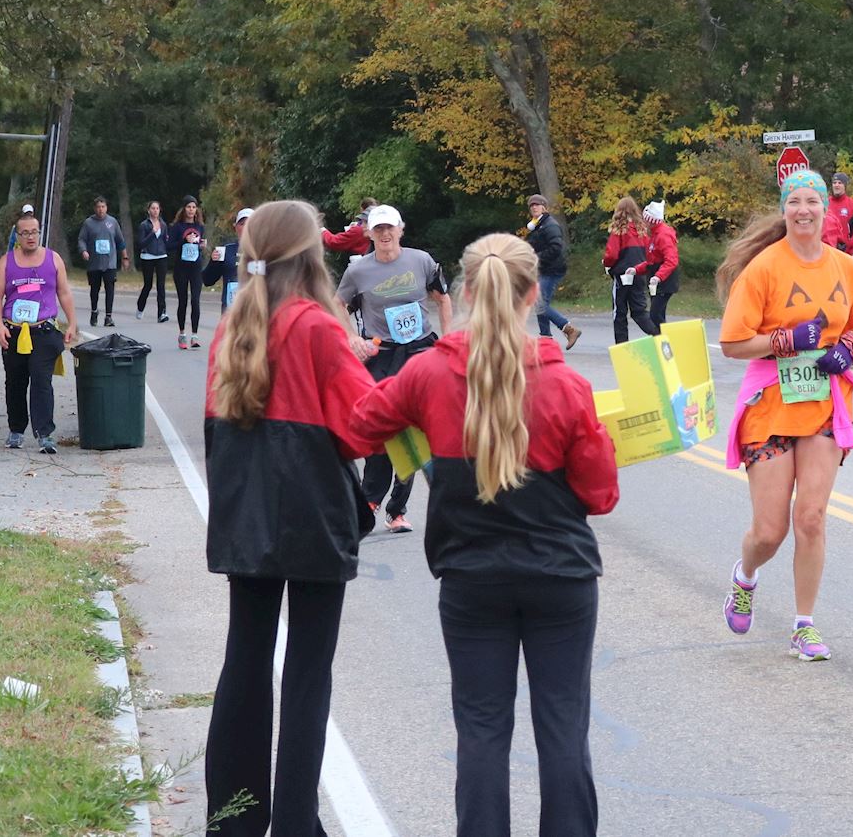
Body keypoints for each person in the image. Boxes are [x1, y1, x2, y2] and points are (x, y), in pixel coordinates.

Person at [350, 233, 618, 837]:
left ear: (466, 292)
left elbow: (359, 426)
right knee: (562, 729)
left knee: (481, 731)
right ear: (531, 297)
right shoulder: (568, 386)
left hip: (471, 577)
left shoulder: (427, 373)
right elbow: (601, 495)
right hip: (561, 578)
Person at [202, 200, 377, 837]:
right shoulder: (317, 326)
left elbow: (214, 428)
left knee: (245, 659)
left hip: (245, 508)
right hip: (312, 511)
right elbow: (362, 430)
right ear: (310, 256)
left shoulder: (231, 324)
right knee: (307, 672)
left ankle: (234, 819)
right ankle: (298, 822)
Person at [716, 170, 853, 661]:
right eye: (795, 202)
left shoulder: (846, 268)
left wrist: (849, 350)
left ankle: (803, 625)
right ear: (784, 209)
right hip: (769, 404)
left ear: (826, 208)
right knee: (770, 531)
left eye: (812, 201)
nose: (804, 210)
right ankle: (745, 577)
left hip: (824, 404)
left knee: (810, 518)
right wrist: (785, 341)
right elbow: (731, 343)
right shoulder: (763, 269)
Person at [336, 204, 452, 532]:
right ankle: (370, 497)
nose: (385, 234)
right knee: (381, 426)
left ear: (401, 229)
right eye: (378, 230)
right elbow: (338, 303)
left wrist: (449, 339)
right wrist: (349, 338)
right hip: (381, 354)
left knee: (415, 426)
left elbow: (443, 298)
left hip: (419, 350)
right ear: (369, 234)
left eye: (390, 228)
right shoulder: (359, 271)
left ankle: (396, 509)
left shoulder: (421, 261)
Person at [0, 212, 79, 454]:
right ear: (17, 236)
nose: (30, 237)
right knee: (16, 382)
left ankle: (45, 433)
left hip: (44, 330)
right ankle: (16, 430)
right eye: (25, 233)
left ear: (40, 233)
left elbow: (64, 292)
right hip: (14, 331)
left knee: (42, 381)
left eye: (34, 232)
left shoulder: (54, 259)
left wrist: (72, 323)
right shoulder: (6, 262)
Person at [525, 193, 581, 349]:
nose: (534, 207)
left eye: (537, 204)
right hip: (543, 269)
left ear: (544, 207)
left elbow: (556, 248)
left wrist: (536, 257)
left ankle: (569, 329)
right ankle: (546, 338)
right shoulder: (537, 226)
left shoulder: (550, 225)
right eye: (532, 205)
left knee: (540, 303)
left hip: (552, 270)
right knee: (540, 303)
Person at [602, 196, 660, 343]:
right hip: (639, 274)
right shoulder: (642, 230)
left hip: (622, 274)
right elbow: (649, 253)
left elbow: (612, 254)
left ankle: (622, 345)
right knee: (639, 311)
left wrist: (607, 263)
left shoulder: (619, 230)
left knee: (619, 312)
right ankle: (657, 334)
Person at [76, 196, 128, 327]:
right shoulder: (88, 223)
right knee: (95, 289)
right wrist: (84, 251)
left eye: (103, 207)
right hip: (94, 263)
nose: (101, 209)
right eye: (98, 207)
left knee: (110, 288)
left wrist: (125, 258)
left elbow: (120, 241)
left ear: (106, 208)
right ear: (95, 208)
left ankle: (108, 316)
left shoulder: (112, 222)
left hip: (109, 262)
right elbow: (81, 239)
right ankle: (94, 311)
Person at [629, 200, 681, 327]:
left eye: (645, 220)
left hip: (665, 280)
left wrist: (658, 276)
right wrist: (636, 269)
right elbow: (652, 260)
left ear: (650, 221)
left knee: (655, 315)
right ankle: (661, 342)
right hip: (656, 280)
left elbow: (671, 260)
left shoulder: (663, 235)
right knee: (658, 316)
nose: (643, 223)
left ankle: (664, 341)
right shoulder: (654, 234)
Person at [168, 196, 206, 349]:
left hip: (196, 267)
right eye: (189, 207)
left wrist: (202, 245)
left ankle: (195, 336)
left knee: (195, 300)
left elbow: (199, 244)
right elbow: (169, 246)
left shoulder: (200, 227)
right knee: (183, 301)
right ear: (184, 209)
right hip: (181, 268)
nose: (191, 210)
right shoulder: (177, 227)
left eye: (194, 207)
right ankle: (182, 334)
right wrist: (184, 241)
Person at [204, 208, 252, 314]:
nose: (246, 227)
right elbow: (207, 280)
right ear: (236, 227)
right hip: (230, 312)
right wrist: (213, 262)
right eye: (242, 224)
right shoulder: (226, 250)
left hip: (253, 312)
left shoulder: (264, 251)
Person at [135, 200, 170, 322]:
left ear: (160, 210)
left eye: (157, 208)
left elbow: (166, 241)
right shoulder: (144, 225)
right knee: (148, 284)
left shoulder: (163, 225)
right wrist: (152, 233)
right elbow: (141, 243)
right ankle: (140, 307)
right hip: (148, 256)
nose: (155, 211)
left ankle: (162, 313)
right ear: (148, 210)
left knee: (161, 285)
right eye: (153, 208)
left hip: (161, 256)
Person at [823, 173, 853, 254]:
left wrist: (850, 243)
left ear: (845, 185)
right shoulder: (825, 204)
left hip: (847, 252)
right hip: (828, 251)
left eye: (840, 183)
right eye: (834, 183)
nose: (836, 185)